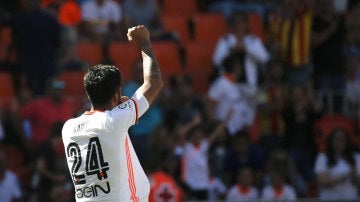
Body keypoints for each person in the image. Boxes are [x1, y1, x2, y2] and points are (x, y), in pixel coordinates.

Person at [62, 25, 163, 202]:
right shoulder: (115, 120)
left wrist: (118, 107)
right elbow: (154, 82)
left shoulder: (68, 128)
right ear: (117, 93)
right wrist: (145, 42)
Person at [20, 79, 75, 147]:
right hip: (42, 148)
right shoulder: (37, 105)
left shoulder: (68, 105)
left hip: (66, 149)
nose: (59, 91)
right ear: (49, 90)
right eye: (56, 89)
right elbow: (18, 118)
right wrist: (25, 139)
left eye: (61, 88)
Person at [314, 127, 360, 200]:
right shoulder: (322, 157)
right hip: (329, 198)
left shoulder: (356, 157)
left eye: (342, 139)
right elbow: (323, 181)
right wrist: (346, 176)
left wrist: (354, 177)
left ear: (347, 141)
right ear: (331, 140)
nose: (340, 141)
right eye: (337, 139)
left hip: (350, 198)